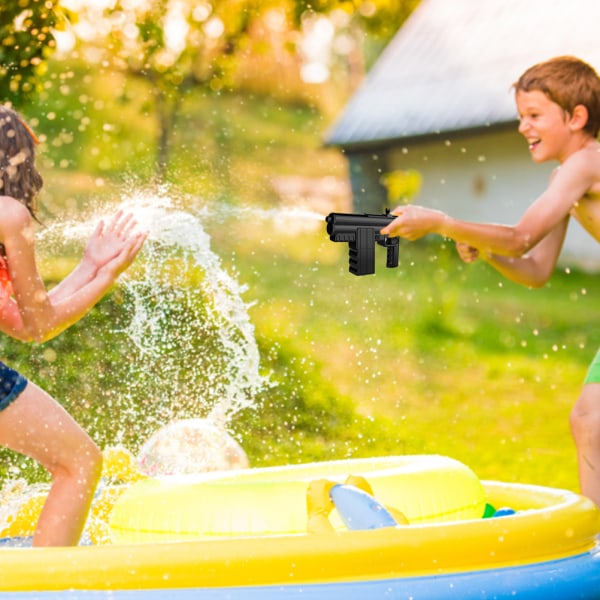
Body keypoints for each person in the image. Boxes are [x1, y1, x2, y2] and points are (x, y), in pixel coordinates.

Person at [380, 56, 600, 506]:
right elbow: (536, 268)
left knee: (591, 419)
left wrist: (442, 222)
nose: (523, 126)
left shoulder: (587, 163)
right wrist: (489, 255)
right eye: (521, 115)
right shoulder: (568, 179)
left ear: (576, 117)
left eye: (535, 115)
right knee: (589, 420)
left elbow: (519, 238)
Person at [0, 105, 147, 545]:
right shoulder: (8, 214)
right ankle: (41, 590)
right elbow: (40, 327)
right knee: (78, 462)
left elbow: (22, 321)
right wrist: (105, 277)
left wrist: (87, 265)